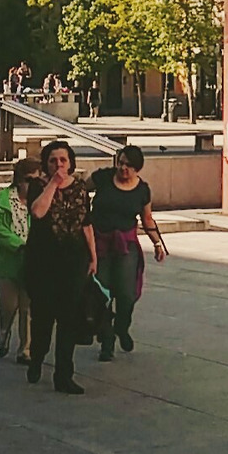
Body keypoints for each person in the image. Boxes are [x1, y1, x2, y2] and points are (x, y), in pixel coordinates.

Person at [24, 140, 96, 395]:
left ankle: (64, 375)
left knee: (69, 319)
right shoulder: (38, 185)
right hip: (43, 261)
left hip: (73, 260)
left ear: (71, 162)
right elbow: (37, 213)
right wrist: (53, 184)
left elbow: (86, 222)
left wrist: (93, 256)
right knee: (43, 319)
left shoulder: (80, 188)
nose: (59, 165)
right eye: (53, 160)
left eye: (63, 160)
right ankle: (37, 358)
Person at [90, 145, 167, 361]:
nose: (123, 168)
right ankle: (107, 342)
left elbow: (147, 219)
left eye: (129, 165)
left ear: (137, 168)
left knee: (126, 294)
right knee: (102, 292)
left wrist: (157, 243)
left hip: (126, 243)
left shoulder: (142, 190)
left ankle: (122, 327)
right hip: (100, 243)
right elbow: (78, 191)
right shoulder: (103, 178)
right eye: (121, 163)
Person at [0, 157, 37, 363]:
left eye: (36, 180)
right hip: (7, 263)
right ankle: (4, 332)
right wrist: (19, 245)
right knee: (9, 305)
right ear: (18, 180)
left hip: (31, 263)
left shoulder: (40, 201)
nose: (31, 185)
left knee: (28, 307)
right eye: (28, 180)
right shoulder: (4, 199)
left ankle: (26, 348)